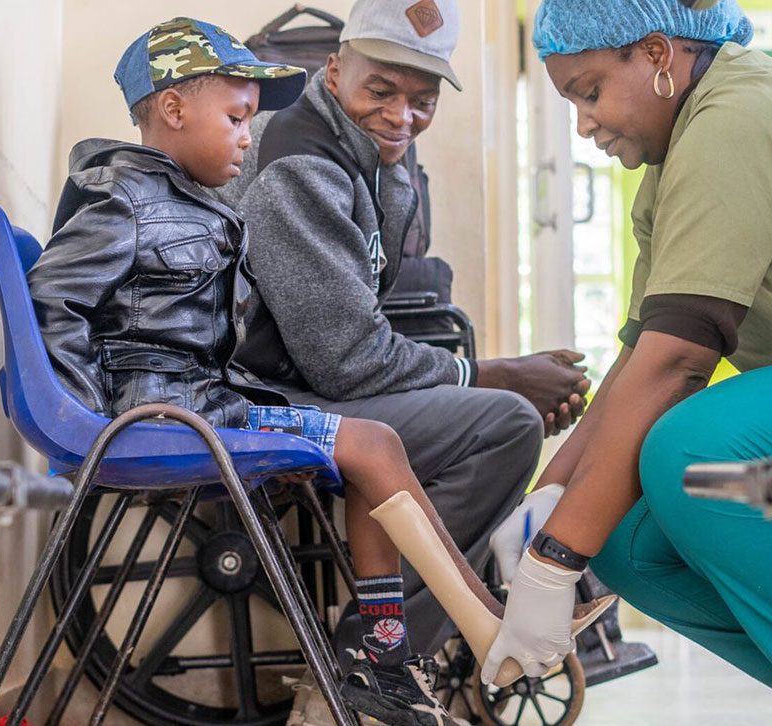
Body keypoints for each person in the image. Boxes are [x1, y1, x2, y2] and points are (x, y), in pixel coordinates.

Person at [26, 17, 508, 724]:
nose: (248, 138)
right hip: (173, 411)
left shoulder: (191, 204)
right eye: (236, 119)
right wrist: (88, 418)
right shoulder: (124, 201)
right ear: (173, 109)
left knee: (369, 445)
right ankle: (457, 626)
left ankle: (387, 650)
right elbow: (53, 295)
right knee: (372, 444)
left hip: (209, 403)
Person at [215, 0, 591, 662]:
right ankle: (379, 654)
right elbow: (348, 361)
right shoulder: (301, 163)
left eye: (423, 100)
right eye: (380, 90)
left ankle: (395, 638)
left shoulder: (372, 160)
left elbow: (355, 336)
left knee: (491, 412)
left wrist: (497, 376)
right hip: (258, 396)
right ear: (334, 72)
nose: (402, 115)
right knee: (506, 423)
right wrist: (498, 374)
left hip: (302, 380)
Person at [484, 0, 772, 689]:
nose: (584, 123)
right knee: (628, 536)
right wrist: (549, 500)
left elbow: (680, 363)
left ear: (654, 54)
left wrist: (553, 563)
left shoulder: (736, 112)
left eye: (589, 92)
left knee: (687, 454)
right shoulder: (671, 168)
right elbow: (644, 352)